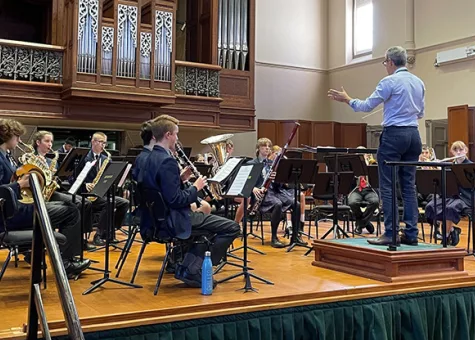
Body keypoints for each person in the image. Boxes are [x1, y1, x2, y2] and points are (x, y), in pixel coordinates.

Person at [328, 46, 424, 246]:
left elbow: (366, 106)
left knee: (387, 186)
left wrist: (347, 100)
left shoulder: (389, 81)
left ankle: (391, 233)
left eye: (385, 63)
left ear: (389, 61)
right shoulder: (419, 82)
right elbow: (421, 112)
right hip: (414, 134)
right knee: (409, 186)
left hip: (394, 135)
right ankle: (412, 234)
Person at [139, 115, 240, 287]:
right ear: (168, 134)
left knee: (209, 228)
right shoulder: (167, 160)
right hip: (175, 220)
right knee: (232, 227)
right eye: (176, 134)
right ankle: (195, 268)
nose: (178, 138)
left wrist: (179, 179)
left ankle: (188, 264)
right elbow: (176, 199)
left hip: (157, 219)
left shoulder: (148, 157)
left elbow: (160, 188)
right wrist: (196, 187)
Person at [0, 118, 90, 277]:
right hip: (12, 215)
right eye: (17, 136)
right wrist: (20, 184)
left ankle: (49, 256)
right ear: (6, 136)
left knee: (70, 207)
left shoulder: (6, 156)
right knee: (71, 211)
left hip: (17, 208)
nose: (19, 140)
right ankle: (66, 263)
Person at [234, 138, 304, 248]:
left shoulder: (273, 164)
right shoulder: (251, 163)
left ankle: (295, 237)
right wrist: (253, 188)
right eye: (264, 146)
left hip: (275, 192)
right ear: (258, 149)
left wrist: (277, 178)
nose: (267, 148)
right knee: (277, 204)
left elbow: (279, 184)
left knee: (296, 204)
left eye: (268, 146)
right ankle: (274, 238)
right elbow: (245, 182)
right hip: (260, 195)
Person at [32, 130, 95, 250]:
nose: (50, 144)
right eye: (47, 141)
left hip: (53, 191)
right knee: (76, 203)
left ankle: (80, 238)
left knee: (85, 203)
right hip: (42, 194)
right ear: (38, 142)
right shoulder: (32, 159)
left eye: (51, 141)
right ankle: (66, 243)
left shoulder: (51, 161)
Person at [74, 132, 130, 246]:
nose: (103, 145)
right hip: (85, 194)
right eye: (100, 142)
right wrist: (85, 184)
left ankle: (110, 231)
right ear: (93, 142)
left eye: (105, 143)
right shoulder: (83, 157)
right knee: (109, 202)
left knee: (124, 203)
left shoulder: (106, 159)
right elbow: (73, 177)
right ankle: (98, 235)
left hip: (100, 193)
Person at [425, 141, 472, 246]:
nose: (459, 152)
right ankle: (451, 231)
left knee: (450, 208)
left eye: (461, 150)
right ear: (452, 152)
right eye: (456, 150)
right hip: (449, 196)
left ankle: (445, 236)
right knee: (431, 206)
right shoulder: (449, 165)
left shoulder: (471, 166)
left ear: (466, 150)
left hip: (464, 198)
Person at [347, 147, 379, 234]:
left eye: (363, 154)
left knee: (375, 202)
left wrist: (368, 166)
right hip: (356, 189)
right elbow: (347, 180)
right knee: (352, 203)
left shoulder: (372, 164)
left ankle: (360, 224)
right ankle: (366, 223)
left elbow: (376, 179)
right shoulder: (351, 166)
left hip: (370, 189)